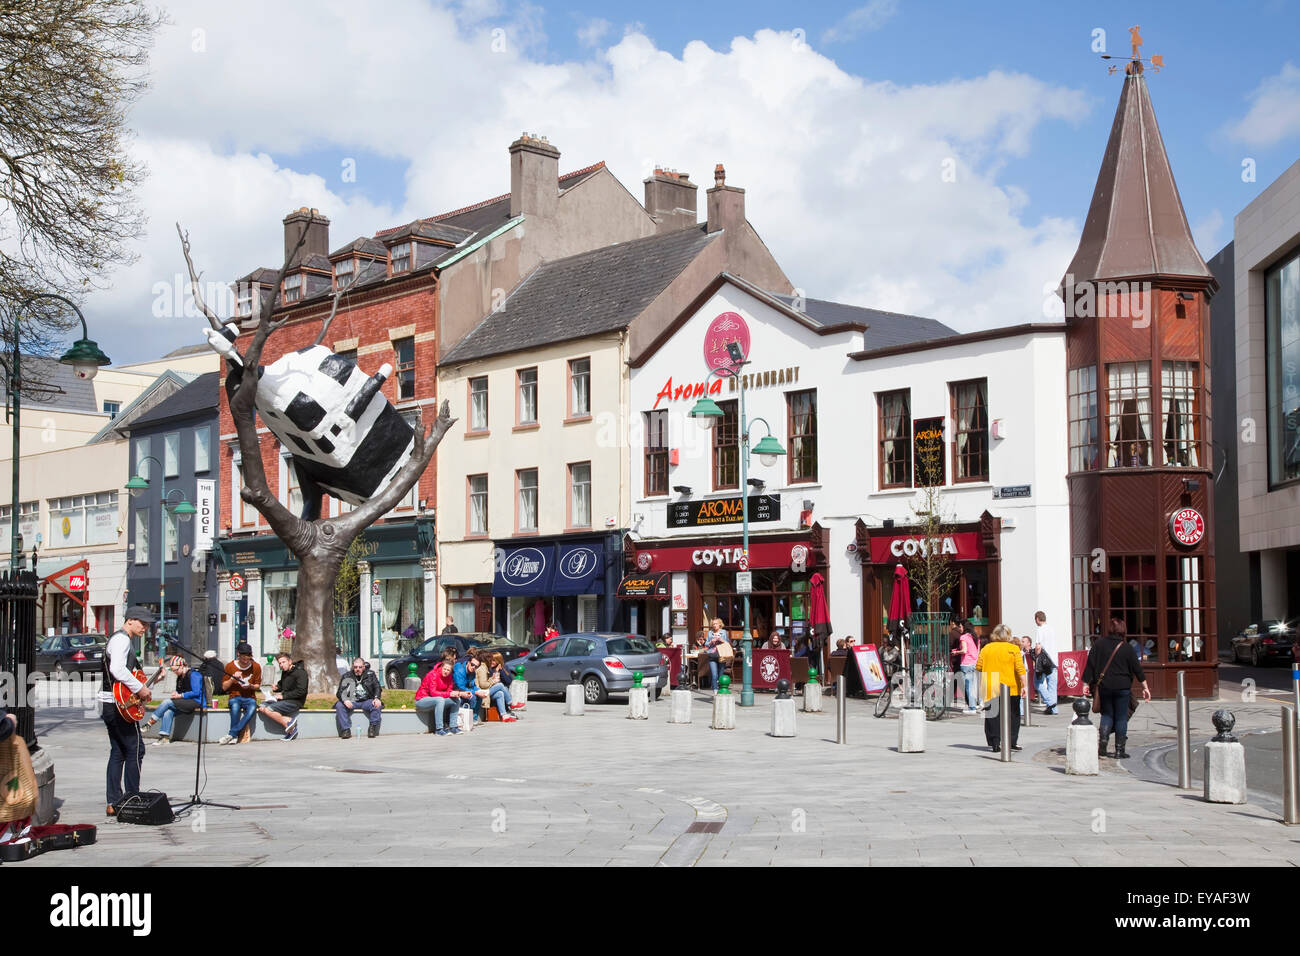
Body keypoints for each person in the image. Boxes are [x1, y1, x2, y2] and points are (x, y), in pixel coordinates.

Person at [98, 606, 155, 816]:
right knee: (136, 750)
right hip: (117, 705)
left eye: (147, 624)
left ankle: (113, 801)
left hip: (110, 702)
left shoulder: (119, 639)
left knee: (118, 752)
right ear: (130, 620)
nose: (145, 628)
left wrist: (146, 683)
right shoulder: (122, 639)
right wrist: (140, 688)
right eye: (142, 623)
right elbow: (117, 669)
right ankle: (132, 798)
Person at [1083, 618, 1151, 759]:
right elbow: (1137, 669)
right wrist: (1145, 687)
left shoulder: (1099, 644)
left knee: (1107, 715)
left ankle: (1103, 743)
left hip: (1104, 686)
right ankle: (1119, 750)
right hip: (1122, 687)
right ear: (1123, 630)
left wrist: (1085, 684)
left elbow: (1090, 664)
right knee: (1121, 718)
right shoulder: (1126, 647)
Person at [975, 624, 1026, 753]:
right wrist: (1025, 685)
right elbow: (1020, 669)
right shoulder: (1013, 649)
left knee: (992, 715)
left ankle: (995, 742)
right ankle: (1012, 741)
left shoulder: (986, 648)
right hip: (1011, 685)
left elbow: (979, 667)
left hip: (991, 684)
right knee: (1013, 715)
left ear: (994, 635)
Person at [144, 655, 206, 746]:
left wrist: (180, 695)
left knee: (167, 702)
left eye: (175, 670)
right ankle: (164, 737)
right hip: (186, 701)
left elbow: (196, 692)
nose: (175, 673)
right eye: (173, 671)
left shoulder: (194, 675)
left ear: (182, 666)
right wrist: (176, 694)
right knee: (168, 711)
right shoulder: (180, 677)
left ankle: (150, 722)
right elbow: (180, 691)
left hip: (196, 701)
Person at [218, 642, 261, 745]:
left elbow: (257, 685)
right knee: (235, 707)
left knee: (252, 708)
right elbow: (224, 687)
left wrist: (250, 686)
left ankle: (232, 734)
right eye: (243, 658)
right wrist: (232, 680)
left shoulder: (256, 666)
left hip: (250, 697)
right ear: (238, 655)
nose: (246, 661)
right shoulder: (230, 666)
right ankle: (234, 735)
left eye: (248, 658)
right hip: (235, 696)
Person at [259, 652, 307, 741]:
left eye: (283, 662)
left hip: (295, 702)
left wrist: (283, 696)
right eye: (280, 663)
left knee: (269, 709)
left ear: (290, 661)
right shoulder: (285, 672)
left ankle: (289, 724)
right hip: (285, 699)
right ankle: (289, 723)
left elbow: (301, 691)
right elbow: (283, 685)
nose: (281, 665)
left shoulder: (301, 673)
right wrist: (276, 688)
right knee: (262, 707)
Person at [416, 648, 464, 735]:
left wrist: (454, 694)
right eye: (444, 669)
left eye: (448, 670)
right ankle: (439, 729)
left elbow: (449, 690)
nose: (446, 671)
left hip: (436, 700)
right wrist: (449, 693)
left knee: (457, 700)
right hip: (422, 700)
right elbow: (433, 693)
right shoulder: (433, 674)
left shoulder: (449, 677)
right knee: (440, 699)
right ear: (441, 667)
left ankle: (453, 727)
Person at [334, 657, 384, 739]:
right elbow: (340, 692)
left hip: (366, 701)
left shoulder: (370, 675)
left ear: (364, 667)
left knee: (377, 705)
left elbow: (377, 687)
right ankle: (346, 730)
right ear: (353, 667)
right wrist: (345, 700)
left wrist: (376, 698)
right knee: (339, 705)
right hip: (352, 701)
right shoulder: (346, 676)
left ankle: (372, 728)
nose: (357, 669)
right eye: (355, 667)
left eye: (360, 667)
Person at [476, 652, 520, 722]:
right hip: (484, 692)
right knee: (500, 685)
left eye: (494, 660)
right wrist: (494, 679)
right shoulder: (486, 668)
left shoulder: (503, 667)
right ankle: (511, 703)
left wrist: (501, 670)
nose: (492, 662)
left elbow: (509, 681)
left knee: (500, 693)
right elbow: (484, 685)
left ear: (498, 661)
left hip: (492, 691)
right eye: (491, 660)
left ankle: (504, 715)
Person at [453, 649, 485, 722]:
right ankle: (463, 720)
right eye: (472, 664)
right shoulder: (459, 669)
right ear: (469, 662)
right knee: (472, 696)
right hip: (456, 691)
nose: (473, 667)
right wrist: (475, 692)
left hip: (464, 690)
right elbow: (460, 687)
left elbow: (472, 685)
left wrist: (479, 691)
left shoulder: (472, 672)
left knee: (479, 697)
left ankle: (474, 719)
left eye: (476, 666)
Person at [955, 622, 980, 714]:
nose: (959, 628)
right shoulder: (975, 637)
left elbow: (964, 650)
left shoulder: (963, 637)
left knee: (968, 686)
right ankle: (977, 703)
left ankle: (972, 707)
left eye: (960, 626)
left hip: (966, 663)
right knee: (974, 685)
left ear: (965, 627)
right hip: (974, 663)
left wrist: (956, 652)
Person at [1031, 637, 1058, 715]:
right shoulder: (1051, 640)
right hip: (1052, 666)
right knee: (1052, 688)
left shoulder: (1041, 632)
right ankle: (1053, 709)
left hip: (1046, 668)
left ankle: (1051, 702)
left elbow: (1038, 650)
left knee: (1038, 684)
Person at [705, 618, 731, 691]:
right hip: (712, 655)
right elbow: (706, 644)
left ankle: (721, 688)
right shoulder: (710, 633)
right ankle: (715, 690)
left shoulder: (724, 632)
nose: (714, 625)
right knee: (714, 675)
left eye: (716, 624)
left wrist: (721, 640)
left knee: (720, 674)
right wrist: (711, 641)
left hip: (721, 655)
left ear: (720, 624)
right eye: (713, 624)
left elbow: (727, 643)